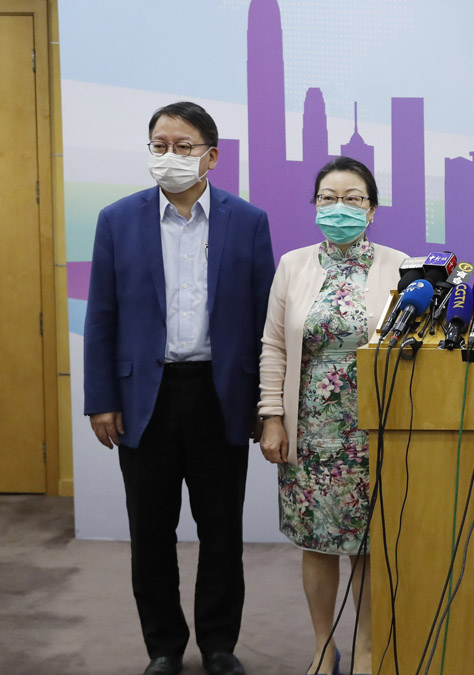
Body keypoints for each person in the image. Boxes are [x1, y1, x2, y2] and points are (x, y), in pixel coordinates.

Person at [84, 102, 274, 675]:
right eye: (159, 145)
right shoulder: (116, 220)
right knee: (150, 532)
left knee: (222, 531)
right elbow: (102, 316)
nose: (169, 156)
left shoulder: (248, 221)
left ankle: (219, 644)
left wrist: (267, 407)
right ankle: (163, 647)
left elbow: (266, 320)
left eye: (183, 146)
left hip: (221, 395)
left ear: (211, 157)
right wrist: (101, 400)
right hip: (146, 397)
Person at [257, 156, 406, 675]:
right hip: (311, 428)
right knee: (317, 542)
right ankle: (324, 644)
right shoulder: (293, 265)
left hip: (372, 428)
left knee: (368, 544)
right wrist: (271, 417)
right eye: (328, 198)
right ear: (315, 205)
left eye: (352, 199)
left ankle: (366, 645)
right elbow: (274, 346)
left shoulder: (401, 266)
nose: (339, 208)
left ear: (373, 208)